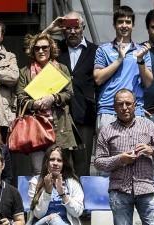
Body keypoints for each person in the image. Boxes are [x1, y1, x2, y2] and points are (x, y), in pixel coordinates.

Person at [94, 90, 154, 225]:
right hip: (119, 190)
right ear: (114, 107)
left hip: (146, 188)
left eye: (128, 103)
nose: (124, 107)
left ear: (135, 105)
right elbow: (98, 162)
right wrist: (120, 159)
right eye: (120, 104)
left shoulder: (148, 125)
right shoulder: (106, 130)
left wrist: (152, 150)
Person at [15, 32, 76, 172]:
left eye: (45, 47)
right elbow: (20, 96)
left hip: (59, 126)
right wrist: (33, 104)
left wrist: (53, 98)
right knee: (38, 171)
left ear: (51, 49)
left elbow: (69, 93)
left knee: (61, 170)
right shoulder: (25, 72)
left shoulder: (61, 69)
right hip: (36, 128)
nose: (41, 51)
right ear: (32, 51)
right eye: (37, 48)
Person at [51, 11, 97, 176]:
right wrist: (50, 29)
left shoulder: (95, 51)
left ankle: (80, 200)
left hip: (84, 114)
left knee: (82, 165)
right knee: (59, 163)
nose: (72, 31)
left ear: (82, 27)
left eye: (76, 27)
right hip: (59, 115)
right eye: (68, 27)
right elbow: (32, 45)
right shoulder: (55, 49)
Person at [92, 6, 153, 130]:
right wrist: (119, 60)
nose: (124, 25)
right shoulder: (103, 49)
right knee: (107, 150)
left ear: (133, 25)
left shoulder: (142, 50)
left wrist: (140, 60)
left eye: (128, 22)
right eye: (120, 22)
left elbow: (148, 82)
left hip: (135, 111)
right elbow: (98, 79)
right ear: (114, 25)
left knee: (137, 150)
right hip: (108, 109)